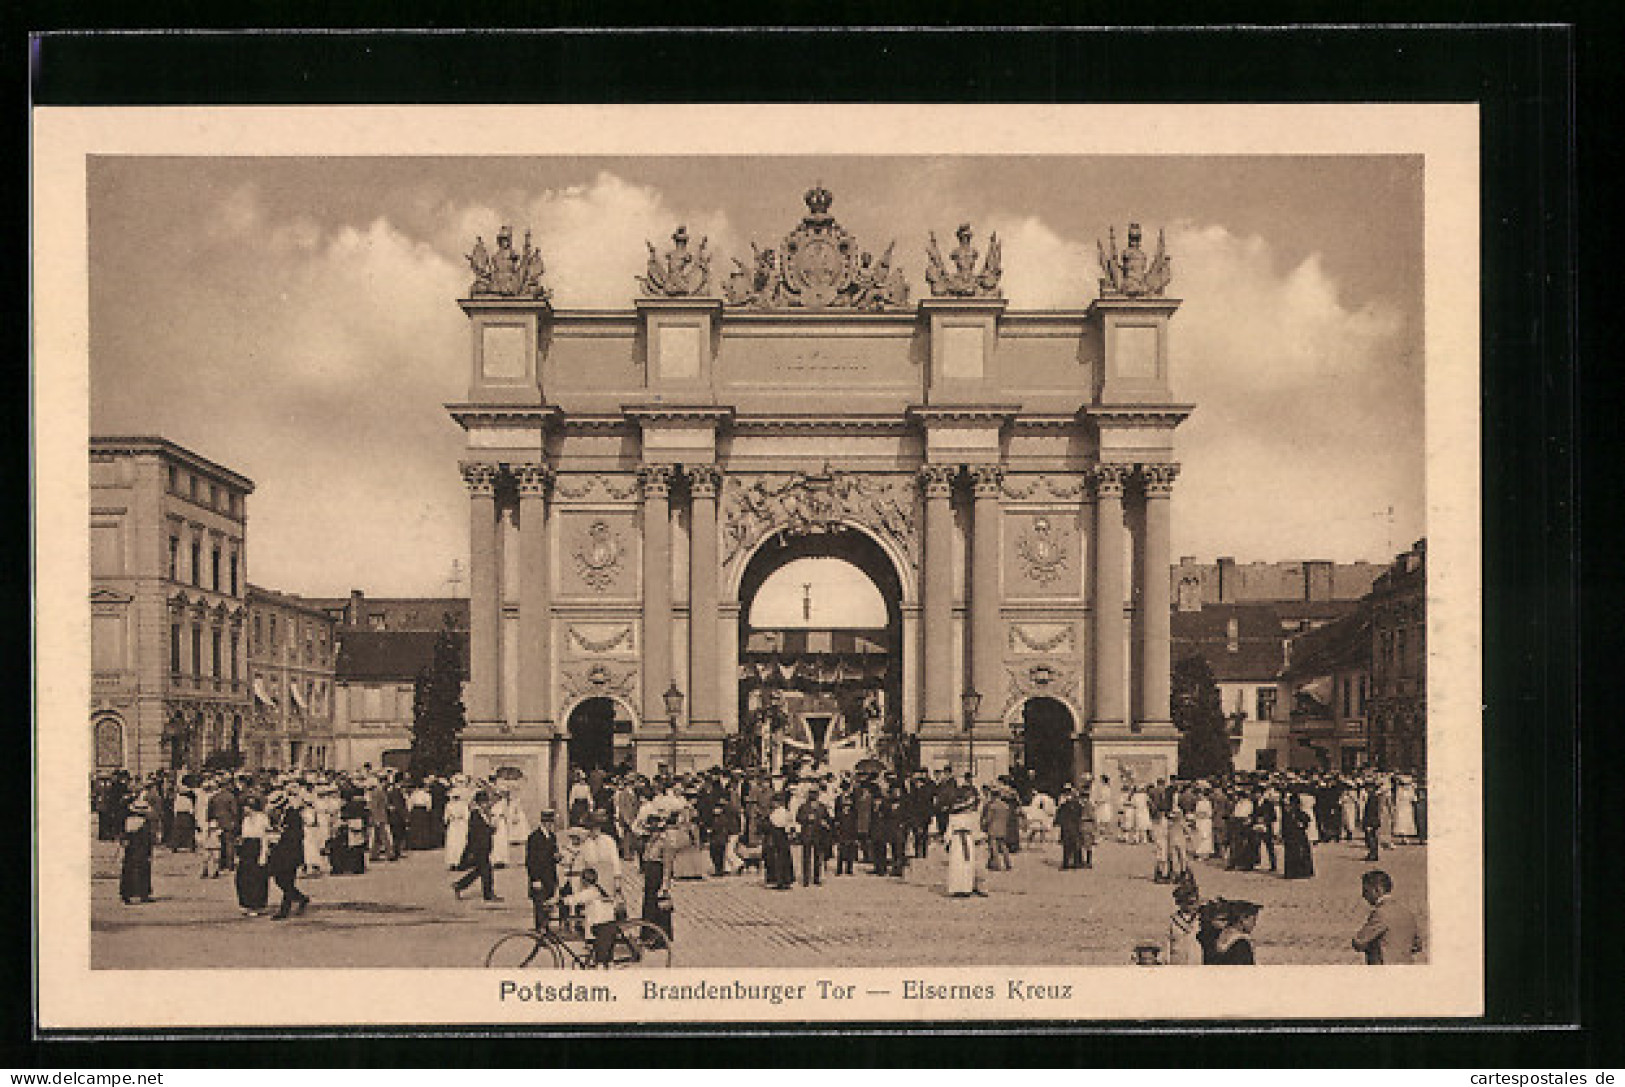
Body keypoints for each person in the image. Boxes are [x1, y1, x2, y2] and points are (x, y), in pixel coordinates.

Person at [1351, 869, 1423, 964]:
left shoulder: (1380, 913)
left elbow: (1359, 941)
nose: (1363, 895)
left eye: (1366, 890)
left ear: (1377, 890)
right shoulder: (1407, 912)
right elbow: (1417, 945)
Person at [267, 795, 310, 920]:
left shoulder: (293, 815)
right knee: (280, 880)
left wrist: (281, 834)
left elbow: (297, 835)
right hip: (280, 852)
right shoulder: (278, 816)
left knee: (287, 880)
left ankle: (284, 910)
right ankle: (301, 898)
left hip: (291, 852)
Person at [451, 792, 500, 902]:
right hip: (479, 847)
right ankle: (488, 895)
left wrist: (492, 829)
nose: (486, 804)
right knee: (486, 870)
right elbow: (473, 833)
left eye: (486, 802)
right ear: (479, 803)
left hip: (485, 846)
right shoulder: (475, 815)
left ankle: (459, 885)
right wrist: (471, 849)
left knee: (479, 871)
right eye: (483, 802)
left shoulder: (485, 814)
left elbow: (487, 829)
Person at [569, 867, 619, 967]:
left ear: (584, 881)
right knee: (608, 960)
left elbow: (574, 899)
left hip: (601, 927)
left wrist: (557, 901)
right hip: (610, 925)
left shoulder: (590, 892)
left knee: (600, 963)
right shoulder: (599, 890)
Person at [640, 813, 678, 940]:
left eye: (655, 830)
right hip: (650, 875)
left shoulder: (665, 843)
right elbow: (646, 857)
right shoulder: (649, 842)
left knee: (659, 907)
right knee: (649, 905)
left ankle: (659, 937)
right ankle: (647, 934)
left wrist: (665, 884)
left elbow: (668, 865)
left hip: (658, 874)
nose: (653, 833)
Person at [524, 809, 561, 931]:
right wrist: (535, 879)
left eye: (551, 822)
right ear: (544, 822)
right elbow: (530, 861)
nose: (550, 825)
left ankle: (546, 930)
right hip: (539, 877)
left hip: (550, 876)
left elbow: (552, 854)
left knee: (548, 905)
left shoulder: (552, 837)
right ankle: (540, 931)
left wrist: (557, 857)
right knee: (539, 905)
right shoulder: (534, 838)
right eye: (549, 822)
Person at [944, 792, 987, 898]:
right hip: (966, 840)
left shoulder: (954, 817)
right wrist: (979, 838)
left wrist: (947, 842)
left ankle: (958, 888)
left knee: (958, 863)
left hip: (957, 841)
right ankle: (965, 888)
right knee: (964, 864)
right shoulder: (971, 817)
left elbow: (949, 831)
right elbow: (975, 830)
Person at [235, 795, 272, 917]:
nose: (245, 809)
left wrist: (263, 854)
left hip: (257, 847)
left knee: (257, 878)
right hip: (246, 849)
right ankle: (246, 903)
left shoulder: (262, 819)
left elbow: (264, 838)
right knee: (243, 877)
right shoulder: (245, 820)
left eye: (247, 807)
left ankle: (258, 905)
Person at [118, 798, 155, 905]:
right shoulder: (144, 823)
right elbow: (146, 840)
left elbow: (124, 837)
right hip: (141, 850)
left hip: (129, 850)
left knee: (128, 871)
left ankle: (126, 894)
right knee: (143, 871)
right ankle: (143, 894)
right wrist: (149, 852)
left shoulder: (128, 821)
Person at [1208, 900, 1262, 965]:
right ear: (1243, 919)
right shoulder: (1242, 944)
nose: (1254, 924)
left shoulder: (1221, 936)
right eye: (1253, 920)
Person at [796, 788, 831, 886]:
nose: (813, 796)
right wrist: (806, 818)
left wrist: (825, 823)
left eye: (815, 794)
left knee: (818, 857)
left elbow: (827, 818)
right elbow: (798, 818)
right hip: (807, 834)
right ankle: (806, 879)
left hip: (818, 834)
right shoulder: (803, 807)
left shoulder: (822, 807)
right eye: (811, 794)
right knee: (806, 857)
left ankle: (816, 878)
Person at [1167, 876, 1203, 965]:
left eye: (1196, 902)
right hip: (1178, 962)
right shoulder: (1173, 921)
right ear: (1180, 903)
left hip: (1197, 961)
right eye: (1190, 903)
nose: (1194, 906)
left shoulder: (1202, 919)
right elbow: (1166, 944)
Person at [1282, 792, 1315, 879]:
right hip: (1290, 835)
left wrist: (1302, 824)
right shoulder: (1287, 813)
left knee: (1301, 853)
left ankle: (1303, 872)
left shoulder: (1299, 813)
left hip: (1299, 835)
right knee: (1291, 854)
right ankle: (1292, 872)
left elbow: (1307, 820)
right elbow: (1284, 824)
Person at [982, 787, 1013, 872]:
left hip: (993, 828)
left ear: (993, 795)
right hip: (1003, 828)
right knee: (1003, 846)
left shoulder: (993, 806)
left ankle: (997, 865)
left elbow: (989, 818)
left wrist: (984, 824)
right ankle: (1008, 863)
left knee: (994, 847)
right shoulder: (1005, 806)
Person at [1055, 786, 1085, 870]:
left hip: (1069, 827)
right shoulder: (1076, 805)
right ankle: (1073, 863)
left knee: (1069, 846)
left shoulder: (1066, 805)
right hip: (1071, 827)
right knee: (1072, 845)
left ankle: (1070, 863)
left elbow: (1059, 815)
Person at [443, 787, 470, 870]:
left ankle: (456, 861)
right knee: (456, 842)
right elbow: (467, 816)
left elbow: (445, 818)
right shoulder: (461, 805)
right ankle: (456, 861)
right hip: (458, 824)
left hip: (456, 824)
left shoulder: (450, 805)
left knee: (456, 842)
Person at [1360, 779, 1384, 861]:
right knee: (1371, 837)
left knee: (1370, 837)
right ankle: (1373, 853)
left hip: (1371, 820)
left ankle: (1373, 854)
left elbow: (1371, 811)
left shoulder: (1372, 798)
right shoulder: (1373, 797)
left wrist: (1368, 822)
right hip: (1373, 820)